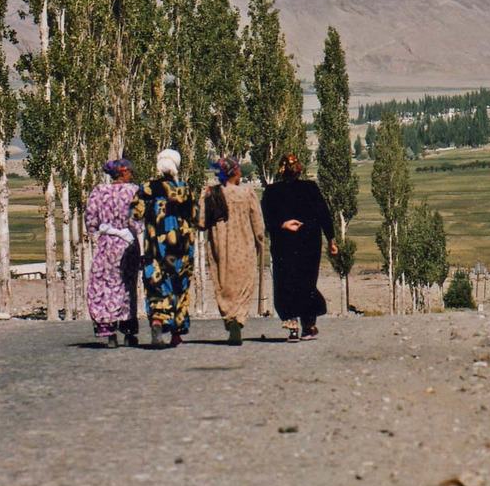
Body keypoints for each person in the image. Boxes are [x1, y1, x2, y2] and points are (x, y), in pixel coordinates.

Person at [261, 153, 339, 341]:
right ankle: (308, 326)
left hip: (284, 243)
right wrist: (331, 240)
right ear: (299, 169)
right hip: (309, 242)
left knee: (286, 281)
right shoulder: (310, 188)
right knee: (307, 282)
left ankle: (293, 326)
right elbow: (324, 214)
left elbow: (265, 218)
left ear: (281, 170)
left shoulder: (271, 192)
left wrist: (282, 225)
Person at [198, 157, 267, 345]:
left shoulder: (211, 193)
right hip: (244, 245)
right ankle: (239, 319)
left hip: (220, 246)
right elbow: (258, 223)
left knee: (224, 283)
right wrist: (260, 241)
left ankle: (229, 318)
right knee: (244, 283)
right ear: (235, 172)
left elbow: (202, 222)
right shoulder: (247, 193)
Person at [132, 149, 196, 348]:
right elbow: (195, 214)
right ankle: (177, 334)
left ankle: (158, 323)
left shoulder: (146, 188)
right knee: (180, 286)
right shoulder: (184, 188)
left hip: (154, 248)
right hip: (181, 249)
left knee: (156, 286)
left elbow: (135, 214)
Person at [85, 158, 143, 348]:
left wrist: (103, 231)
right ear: (123, 172)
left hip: (106, 245)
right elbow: (139, 220)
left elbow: (91, 221)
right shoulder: (134, 191)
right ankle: (128, 330)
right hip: (128, 245)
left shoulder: (98, 192)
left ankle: (109, 331)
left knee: (106, 286)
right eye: (130, 172)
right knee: (127, 286)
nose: (131, 175)